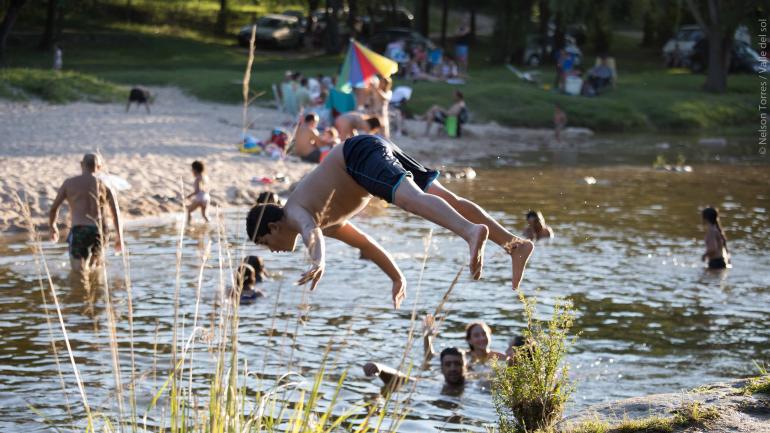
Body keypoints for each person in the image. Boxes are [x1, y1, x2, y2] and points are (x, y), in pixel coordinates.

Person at [245, 134, 534, 310]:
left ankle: (470, 232)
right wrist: (396, 277)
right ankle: (513, 244)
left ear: (272, 227)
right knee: (450, 201)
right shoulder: (325, 219)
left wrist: (318, 261)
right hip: (371, 149)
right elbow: (367, 245)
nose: (273, 251)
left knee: (410, 200)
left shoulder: (294, 211)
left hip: (357, 157)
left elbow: (310, 233)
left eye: (267, 243)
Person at [49, 153, 123, 273]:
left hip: (79, 230)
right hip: (100, 231)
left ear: (81, 165)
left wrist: (53, 226)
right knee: (97, 270)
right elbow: (116, 214)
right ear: (99, 167)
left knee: (78, 271)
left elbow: (54, 208)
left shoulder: (69, 183)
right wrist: (119, 237)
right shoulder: (106, 184)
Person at [363, 347, 466, 395]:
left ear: (464, 367)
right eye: (448, 365)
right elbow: (404, 379)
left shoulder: (476, 386)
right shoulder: (434, 384)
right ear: (442, 369)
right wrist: (379, 368)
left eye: (457, 364)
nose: (453, 368)